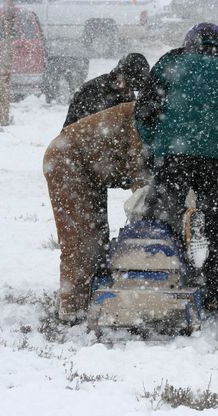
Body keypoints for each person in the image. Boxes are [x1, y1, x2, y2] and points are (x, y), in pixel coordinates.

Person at [134, 23, 218, 312]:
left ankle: (155, 275)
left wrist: (156, 146)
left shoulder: (170, 62)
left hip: (173, 153)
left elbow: (144, 112)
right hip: (215, 159)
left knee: (161, 213)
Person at [44, 102, 149, 323]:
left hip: (92, 170)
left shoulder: (154, 116)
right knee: (79, 242)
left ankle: (94, 301)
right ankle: (72, 312)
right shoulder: (144, 119)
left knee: (98, 237)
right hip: (66, 161)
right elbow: (140, 174)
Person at [63, 53, 149, 127]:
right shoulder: (92, 91)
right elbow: (77, 130)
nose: (129, 91)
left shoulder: (126, 94)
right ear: (119, 75)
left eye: (133, 88)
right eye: (128, 85)